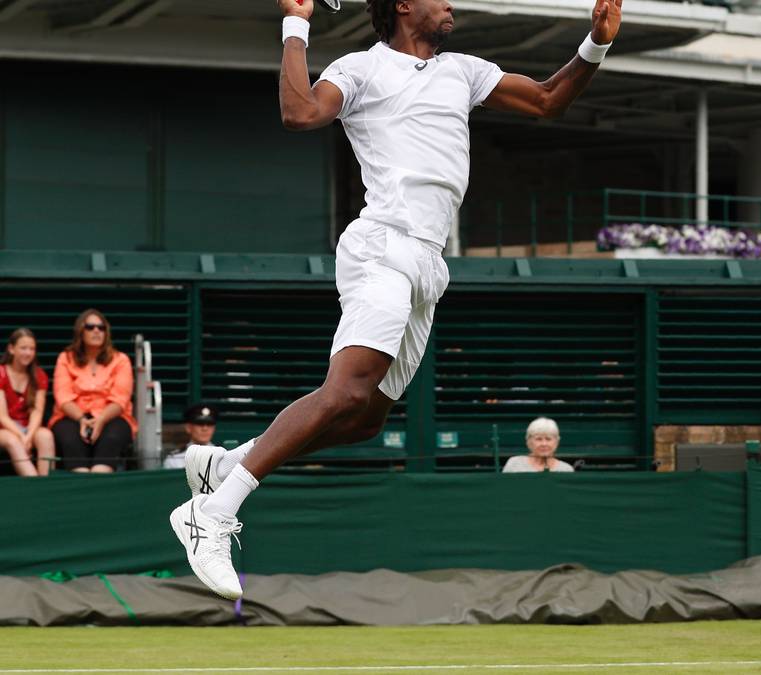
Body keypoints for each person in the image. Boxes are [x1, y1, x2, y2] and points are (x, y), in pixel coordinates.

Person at [169, 0, 623, 599]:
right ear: (404, 5)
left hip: (429, 263)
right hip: (382, 246)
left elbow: (547, 99)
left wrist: (595, 42)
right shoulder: (359, 68)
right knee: (346, 390)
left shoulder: (462, 70)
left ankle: (228, 462)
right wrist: (296, 25)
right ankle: (213, 509)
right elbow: (300, 114)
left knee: (365, 417)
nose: (451, 5)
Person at [49, 310, 137, 474]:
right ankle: (81, 490)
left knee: (111, 438)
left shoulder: (121, 359)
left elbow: (120, 399)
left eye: (101, 327)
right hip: (72, 416)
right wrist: (82, 419)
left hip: (112, 415)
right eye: (90, 327)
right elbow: (63, 397)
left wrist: (101, 419)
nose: (96, 331)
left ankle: (100, 484)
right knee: (70, 440)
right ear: (80, 331)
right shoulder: (65, 358)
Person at [0, 328, 54, 477]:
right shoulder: (1, 373)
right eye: (23, 348)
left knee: (46, 436)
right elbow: (2, 416)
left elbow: (37, 411)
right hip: (4, 428)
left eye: (32, 349)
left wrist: (29, 435)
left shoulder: (39, 375)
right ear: (11, 349)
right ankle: (36, 486)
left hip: (27, 427)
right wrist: (22, 437)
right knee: (13, 441)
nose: (28, 353)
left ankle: (49, 484)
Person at [502, 417, 574, 473]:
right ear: (529, 442)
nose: (544, 444)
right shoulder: (514, 464)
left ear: (556, 442)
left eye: (548, 439)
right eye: (538, 439)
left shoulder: (566, 469)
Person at [163, 404, 218, 470]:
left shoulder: (224, 456)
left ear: (214, 428)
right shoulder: (174, 459)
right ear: (188, 428)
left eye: (209, 424)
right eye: (199, 424)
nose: (205, 428)